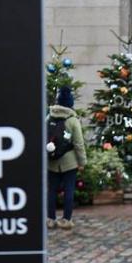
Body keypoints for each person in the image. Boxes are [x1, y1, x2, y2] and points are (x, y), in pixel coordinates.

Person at [47, 86, 86, 230]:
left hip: (51, 161)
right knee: (69, 190)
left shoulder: (49, 117)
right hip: (70, 162)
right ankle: (66, 220)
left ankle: (50, 219)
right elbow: (79, 143)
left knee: (51, 190)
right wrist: (82, 162)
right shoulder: (72, 120)